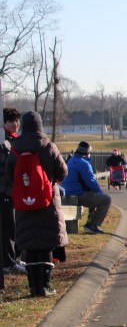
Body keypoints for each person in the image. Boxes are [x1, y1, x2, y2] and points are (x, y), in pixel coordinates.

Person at [6, 111, 68, 296]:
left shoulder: (14, 149)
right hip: (47, 201)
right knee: (46, 243)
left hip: (24, 203)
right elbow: (62, 172)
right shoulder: (48, 146)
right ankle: (45, 285)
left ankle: (33, 287)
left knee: (30, 244)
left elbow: (9, 176)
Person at [62, 141, 113, 235]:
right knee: (106, 199)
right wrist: (101, 193)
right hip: (77, 195)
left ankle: (90, 223)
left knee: (93, 195)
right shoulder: (83, 163)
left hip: (67, 194)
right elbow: (92, 183)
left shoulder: (71, 160)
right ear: (88, 153)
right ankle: (92, 225)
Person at [1, 107, 26, 275]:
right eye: (11, 121)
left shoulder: (16, 140)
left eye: (17, 121)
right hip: (5, 192)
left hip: (15, 192)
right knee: (8, 229)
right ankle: (8, 263)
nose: (15, 124)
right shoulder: (3, 142)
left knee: (16, 227)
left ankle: (16, 259)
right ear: (3, 123)